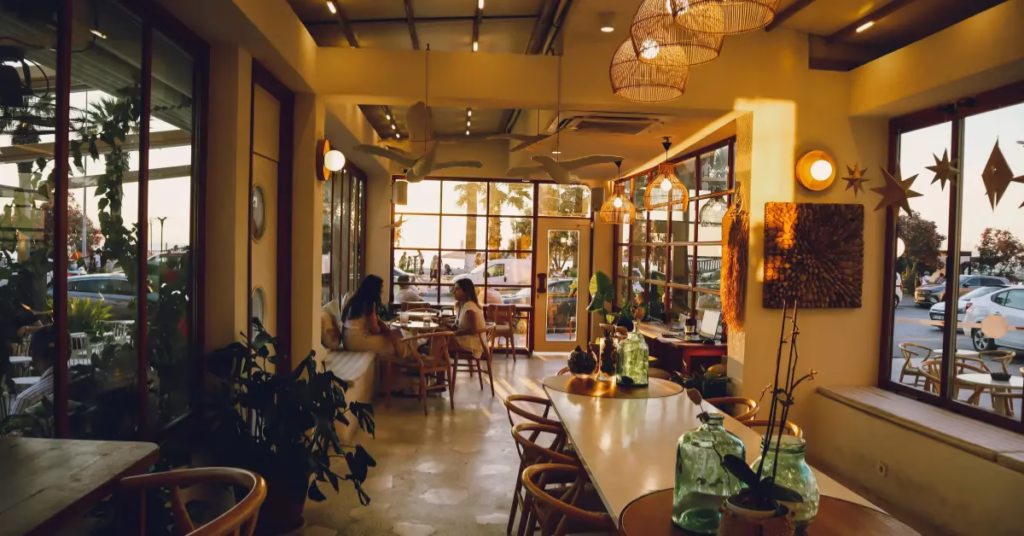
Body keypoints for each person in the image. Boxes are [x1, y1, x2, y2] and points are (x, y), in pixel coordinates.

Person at [341, 275, 404, 360]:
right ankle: (410, 361)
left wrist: (388, 330)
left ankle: (409, 360)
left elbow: (376, 320)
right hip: (356, 340)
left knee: (395, 336)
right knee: (390, 344)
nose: (382, 291)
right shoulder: (369, 303)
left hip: (348, 338)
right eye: (380, 288)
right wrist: (387, 333)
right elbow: (375, 330)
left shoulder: (357, 299)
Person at [10, 324, 57, 415]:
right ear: (68, 354)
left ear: (33, 354)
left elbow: (12, 428)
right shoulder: (85, 383)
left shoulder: (26, 401)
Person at [451, 279, 487, 358]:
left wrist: (456, 333)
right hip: (469, 340)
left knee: (441, 340)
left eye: (457, 289)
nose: (454, 292)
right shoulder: (461, 305)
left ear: (466, 291)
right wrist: (452, 327)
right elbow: (463, 325)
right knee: (440, 338)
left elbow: (474, 330)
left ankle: (430, 362)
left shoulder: (469, 306)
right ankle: (435, 364)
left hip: (475, 343)